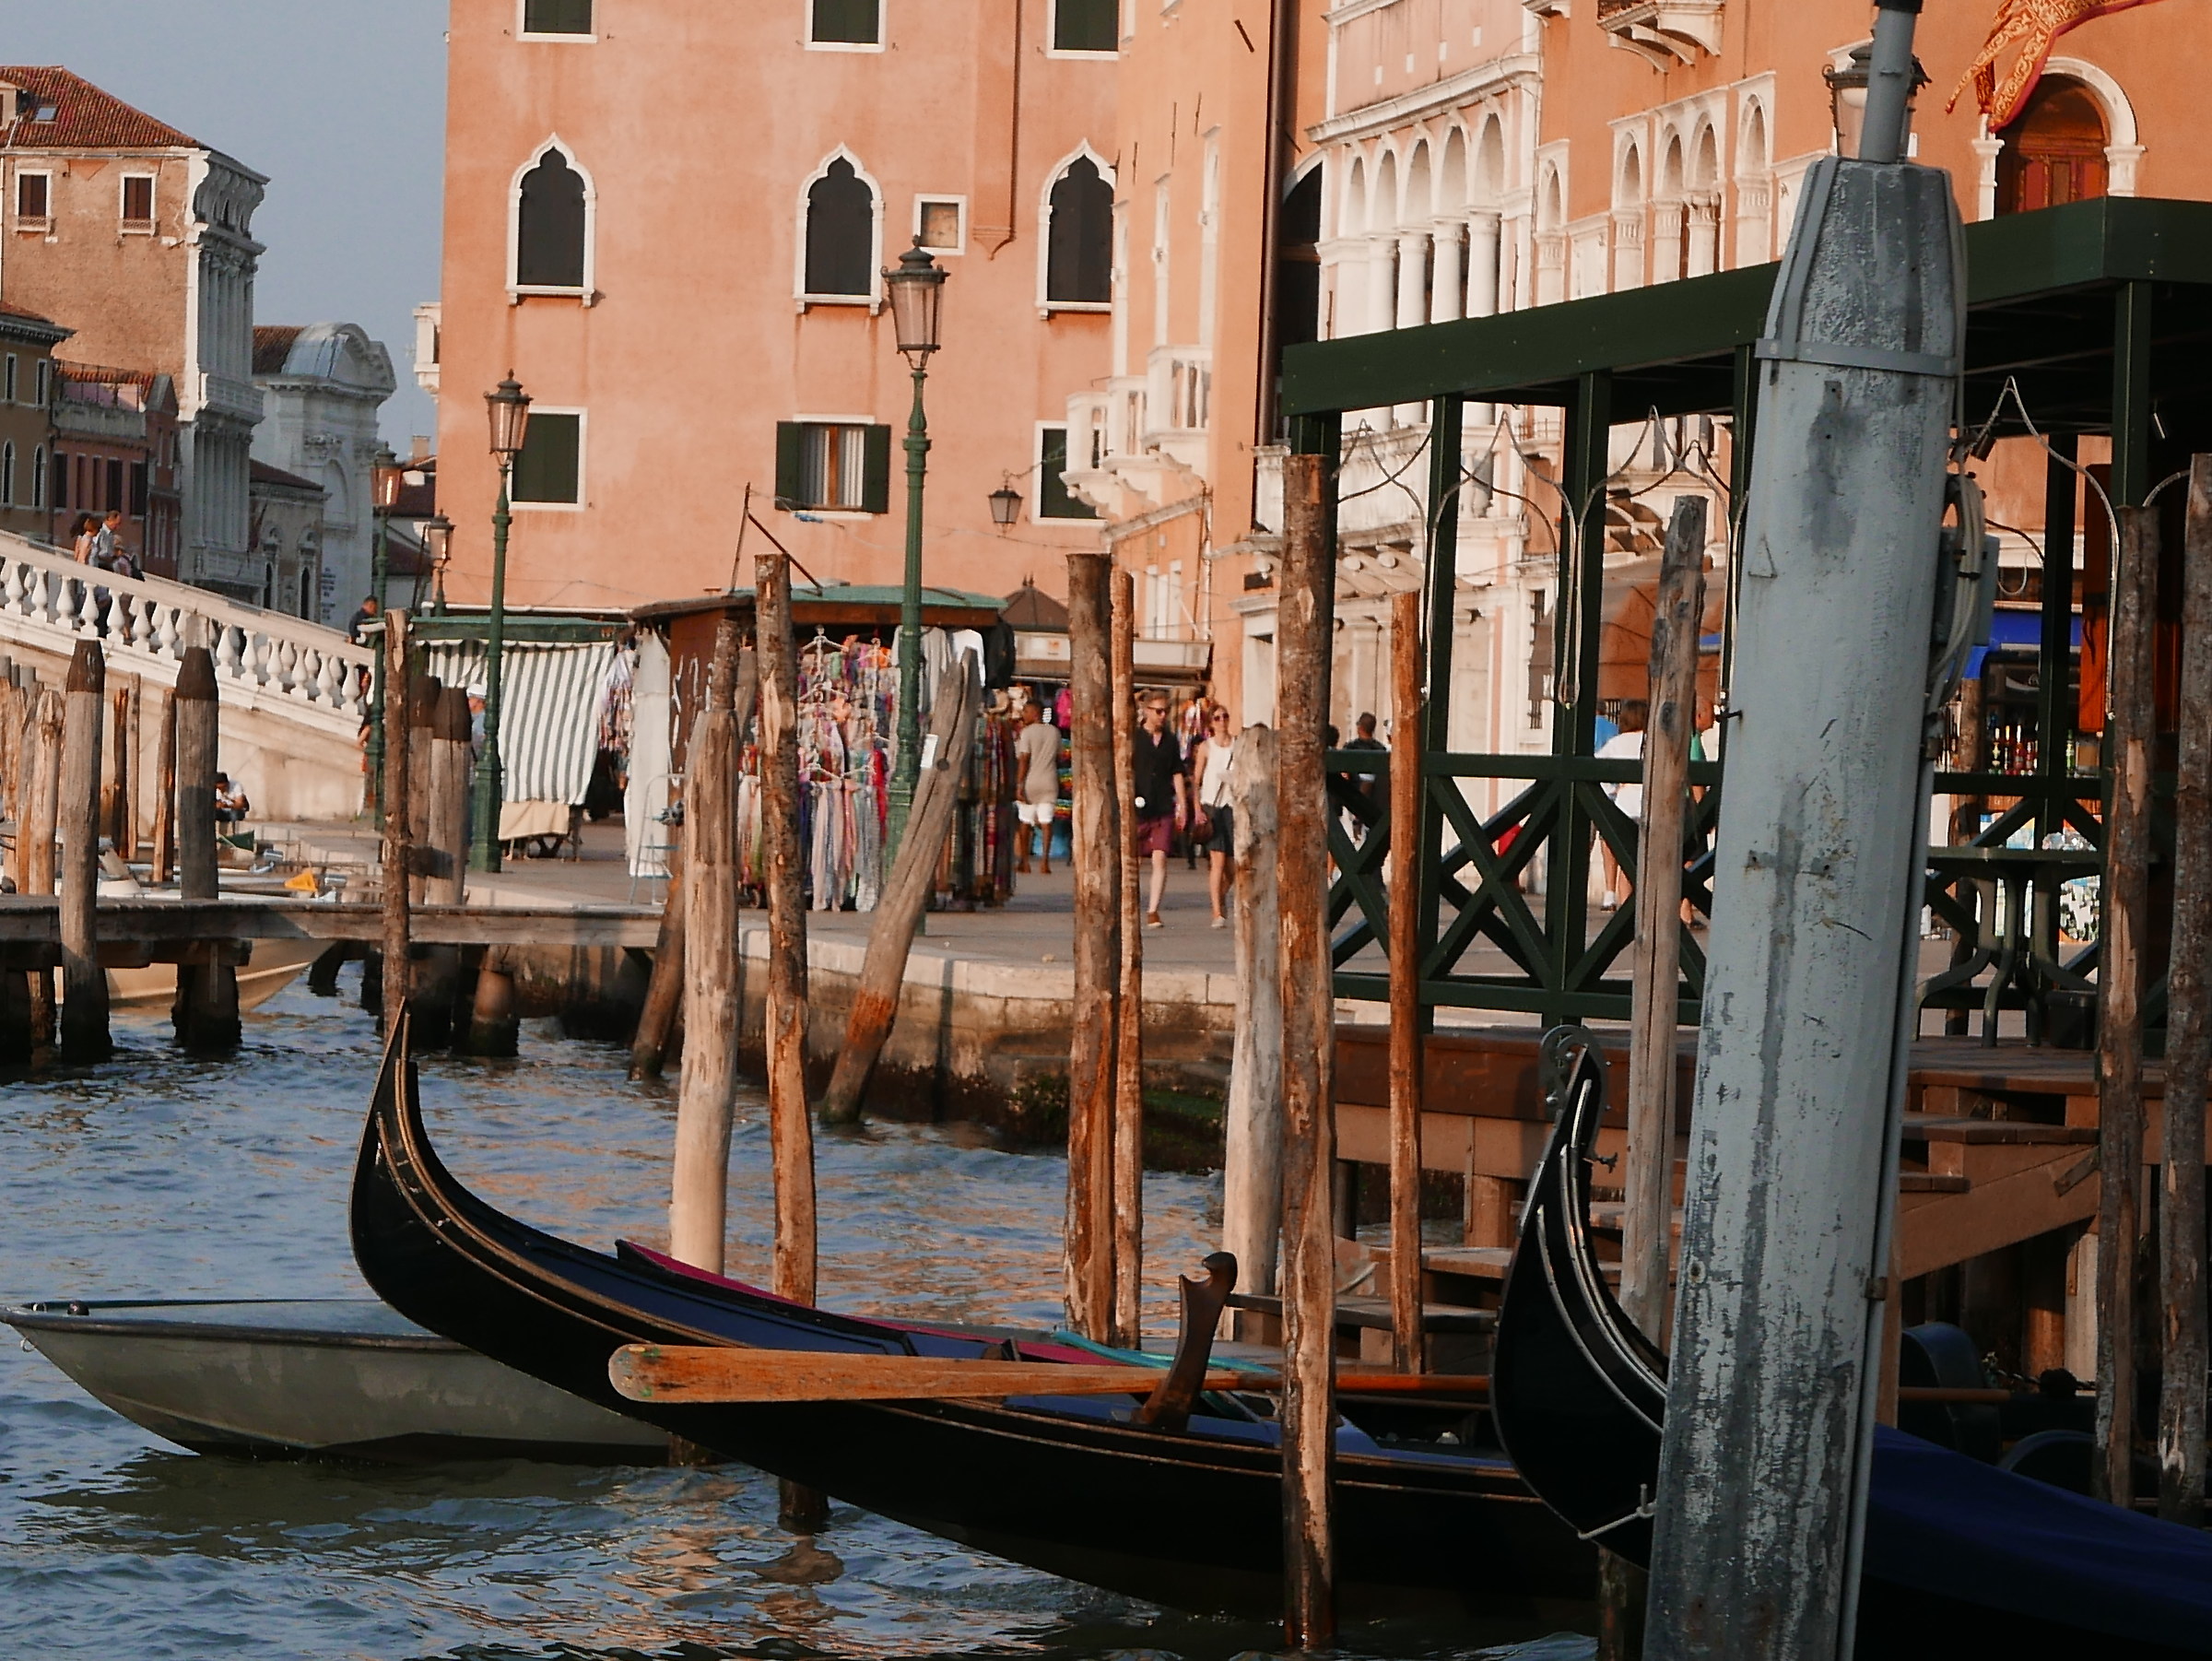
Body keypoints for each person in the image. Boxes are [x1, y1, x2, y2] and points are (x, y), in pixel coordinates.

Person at [1131, 692, 1186, 928]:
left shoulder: (1171, 740)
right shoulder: (1133, 737)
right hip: (1137, 806)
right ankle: (1129, 903)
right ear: (1146, 711)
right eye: (1158, 711)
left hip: (1163, 805)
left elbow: (1177, 772)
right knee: (1133, 860)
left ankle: (1153, 910)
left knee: (1160, 857)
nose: (1163, 716)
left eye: (1166, 711)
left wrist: (1182, 804)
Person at [1594, 699, 1648, 912]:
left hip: (1624, 805)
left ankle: (1625, 910)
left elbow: (1596, 767)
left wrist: (1612, 790)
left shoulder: (1617, 743)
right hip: (1649, 805)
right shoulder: (1653, 741)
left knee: (1626, 863)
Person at [1192, 706, 1237, 928]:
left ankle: (1221, 895)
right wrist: (1197, 808)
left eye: (1225, 716)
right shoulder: (1206, 747)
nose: (1222, 721)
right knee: (1217, 861)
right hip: (1212, 806)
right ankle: (1217, 911)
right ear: (1211, 723)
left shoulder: (1237, 745)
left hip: (1233, 806)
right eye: (1217, 718)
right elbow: (1196, 779)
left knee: (1233, 865)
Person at [1013, 701, 1061, 876]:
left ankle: (1024, 862)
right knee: (1047, 822)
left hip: (1030, 782)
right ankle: (1045, 862)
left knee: (1025, 821)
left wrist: (1019, 784)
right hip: (1049, 780)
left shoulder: (1027, 733)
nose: (1023, 715)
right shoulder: (1054, 732)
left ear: (1035, 713)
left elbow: (1024, 759)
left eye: (1025, 711)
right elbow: (1059, 756)